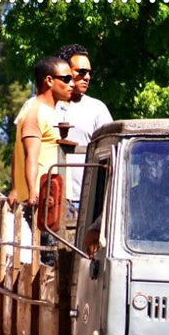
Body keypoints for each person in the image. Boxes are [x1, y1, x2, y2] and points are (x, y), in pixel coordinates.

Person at [8, 56, 76, 209]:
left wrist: (15, 188)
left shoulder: (50, 111)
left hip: (56, 198)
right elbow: (29, 156)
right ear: (49, 80)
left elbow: (15, 151)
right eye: (66, 79)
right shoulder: (35, 111)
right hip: (46, 202)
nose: (72, 84)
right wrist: (32, 192)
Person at [54, 44, 113, 217]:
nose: (87, 77)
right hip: (52, 199)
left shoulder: (97, 109)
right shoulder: (44, 106)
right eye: (81, 72)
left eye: (89, 73)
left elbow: (110, 153)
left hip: (89, 200)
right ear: (65, 71)